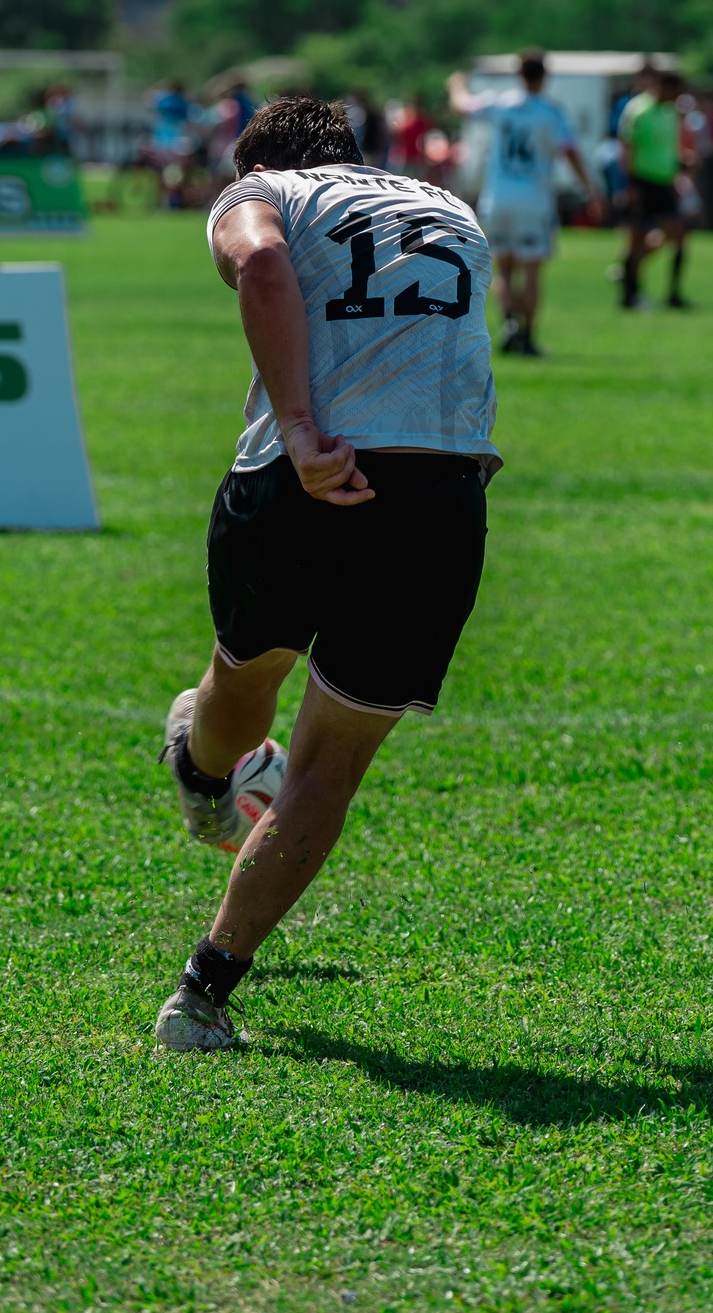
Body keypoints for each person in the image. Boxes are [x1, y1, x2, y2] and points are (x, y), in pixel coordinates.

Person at [154, 95, 500, 1053]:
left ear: (256, 165)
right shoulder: (449, 206)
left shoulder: (262, 194)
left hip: (297, 474)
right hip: (434, 491)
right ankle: (201, 995)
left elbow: (262, 263)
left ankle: (201, 768)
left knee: (246, 676)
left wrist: (303, 429)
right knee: (328, 766)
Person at [448, 49, 602, 355]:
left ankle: (509, 323)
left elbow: (462, 106)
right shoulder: (550, 112)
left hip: (499, 197)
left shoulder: (499, 104)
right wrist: (591, 190)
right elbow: (570, 152)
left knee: (504, 269)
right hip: (534, 199)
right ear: (545, 76)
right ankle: (528, 337)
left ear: (519, 74)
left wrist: (456, 85)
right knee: (532, 270)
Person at [618, 63, 690, 309]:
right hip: (642, 182)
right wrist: (630, 185)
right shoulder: (638, 110)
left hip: (664, 182)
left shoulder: (671, 113)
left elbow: (668, 148)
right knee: (635, 239)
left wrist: (680, 166)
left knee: (677, 234)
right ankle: (629, 295)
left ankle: (674, 293)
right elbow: (627, 148)